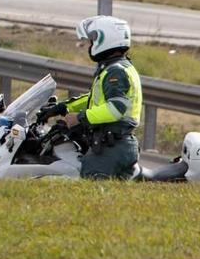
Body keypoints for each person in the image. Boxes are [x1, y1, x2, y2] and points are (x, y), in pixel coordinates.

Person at [58, 15, 141, 179]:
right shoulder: (115, 67)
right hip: (113, 143)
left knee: (91, 186)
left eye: (89, 41)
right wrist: (65, 107)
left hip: (113, 147)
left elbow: (115, 109)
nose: (86, 46)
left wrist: (80, 117)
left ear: (103, 40)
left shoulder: (115, 72)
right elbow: (96, 98)